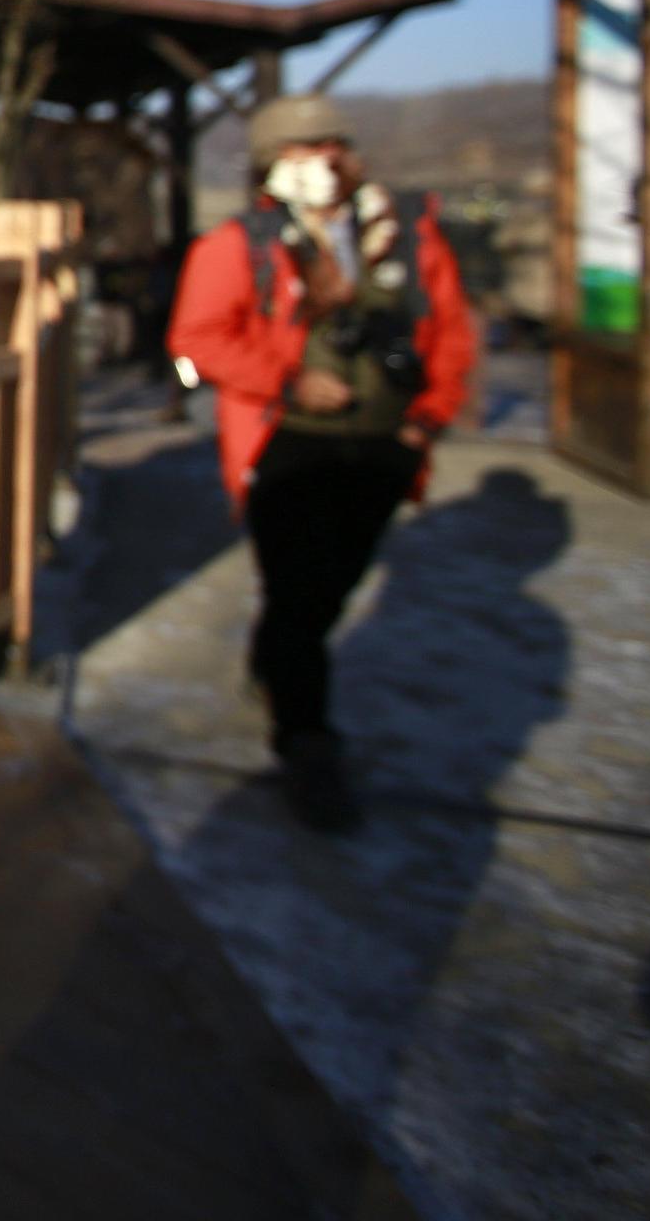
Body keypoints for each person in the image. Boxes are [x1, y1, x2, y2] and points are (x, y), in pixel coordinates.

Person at [168, 92, 478, 831]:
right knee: (300, 594)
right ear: (271, 164)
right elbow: (196, 341)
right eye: (302, 149)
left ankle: (275, 662)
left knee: (331, 587)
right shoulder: (240, 246)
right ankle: (307, 742)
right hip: (287, 442)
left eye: (332, 144)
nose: (323, 161)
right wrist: (288, 378)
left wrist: (429, 418)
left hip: (386, 442)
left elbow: (451, 331)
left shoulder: (406, 236)